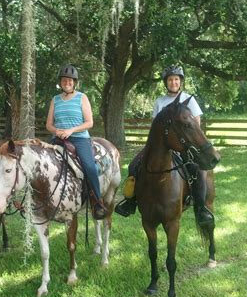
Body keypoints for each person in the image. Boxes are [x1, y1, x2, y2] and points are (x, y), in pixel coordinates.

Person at [116, 65, 214, 227]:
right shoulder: (160, 102)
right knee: (134, 165)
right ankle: (131, 202)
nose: (173, 82)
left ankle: (201, 208)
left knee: (198, 170)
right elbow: (155, 126)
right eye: (170, 79)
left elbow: (195, 124)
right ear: (166, 82)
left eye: (176, 79)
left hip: (184, 145)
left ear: (180, 81)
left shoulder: (189, 99)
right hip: (161, 146)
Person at [46, 65, 108, 220]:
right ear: (60, 82)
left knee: (89, 166)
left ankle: (97, 201)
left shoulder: (82, 97)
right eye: (64, 80)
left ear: (75, 83)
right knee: (43, 161)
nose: (67, 82)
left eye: (70, 80)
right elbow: (48, 124)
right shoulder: (55, 100)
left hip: (79, 138)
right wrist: (57, 131)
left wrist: (71, 131)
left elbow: (89, 123)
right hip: (58, 138)